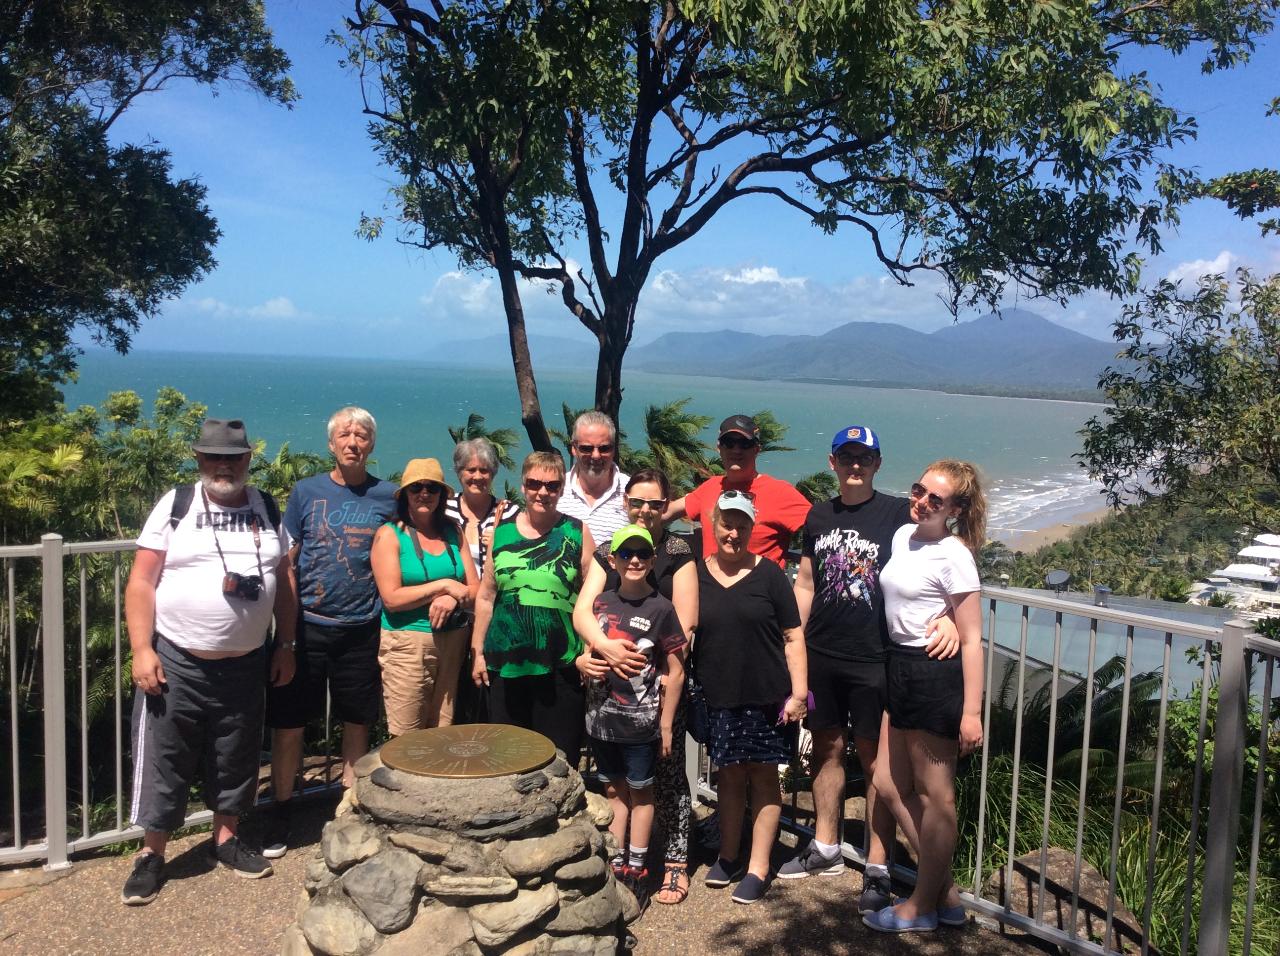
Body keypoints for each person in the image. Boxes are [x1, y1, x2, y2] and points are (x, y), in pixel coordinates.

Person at [780, 426, 958, 913]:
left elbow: (948, 557)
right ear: (832, 461)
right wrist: (793, 639)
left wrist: (952, 618)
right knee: (826, 746)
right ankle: (827, 846)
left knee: (877, 762)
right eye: (846, 457)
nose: (855, 465)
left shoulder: (901, 513)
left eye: (865, 457)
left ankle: (878, 866)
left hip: (877, 657)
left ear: (877, 463)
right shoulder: (818, 515)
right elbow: (807, 582)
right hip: (822, 653)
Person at [122, 419, 296, 905]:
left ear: (247, 461)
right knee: (165, 757)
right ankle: (152, 854)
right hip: (177, 659)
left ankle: (226, 839)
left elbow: (283, 580)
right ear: (199, 460)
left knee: (235, 754)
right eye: (214, 457)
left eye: (233, 457)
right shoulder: (176, 505)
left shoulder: (265, 506)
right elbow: (141, 581)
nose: (224, 465)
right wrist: (141, 648)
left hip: (246, 661)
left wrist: (286, 644)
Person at [263, 406, 396, 859]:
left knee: (357, 720)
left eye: (361, 435)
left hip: (362, 627)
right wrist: (287, 630)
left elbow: (418, 535)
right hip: (307, 627)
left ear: (371, 445)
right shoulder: (306, 492)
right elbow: (288, 560)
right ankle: (280, 809)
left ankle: (348, 808)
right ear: (331, 444)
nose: (353, 442)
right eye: (345, 434)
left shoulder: (388, 497)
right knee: (289, 722)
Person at [864, 460, 986, 934]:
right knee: (888, 782)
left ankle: (922, 905)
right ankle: (947, 894)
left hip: (935, 677)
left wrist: (971, 713)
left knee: (938, 797)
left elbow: (973, 637)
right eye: (919, 491)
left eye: (935, 500)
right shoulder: (903, 537)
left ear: (955, 508)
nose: (921, 502)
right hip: (900, 666)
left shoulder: (955, 554)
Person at [573, 469, 698, 904]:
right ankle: (620, 860)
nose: (646, 510)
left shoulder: (678, 549)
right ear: (625, 501)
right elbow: (585, 611)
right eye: (638, 501)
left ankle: (674, 864)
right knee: (620, 784)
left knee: (668, 776)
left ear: (667, 506)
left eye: (655, 503)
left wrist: (665, 677)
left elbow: (686, 622)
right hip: (611, 693)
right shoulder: (609, 550)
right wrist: (597, 651)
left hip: (659, 685)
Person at [695, 493, 808, 905]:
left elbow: (793, 636)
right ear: (713, 524)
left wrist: (798, 694)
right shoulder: (697, 575)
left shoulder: (770, 576)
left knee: (762, 777)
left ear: (752, 529)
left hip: (766, 695)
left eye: (742, 525)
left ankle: (759, 866)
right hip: (719, 695)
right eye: (726, 523)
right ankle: (728, 855)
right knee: (727, 776)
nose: (733, 532)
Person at [471, 451, 597, 762]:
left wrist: (589, 650)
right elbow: (486, 596)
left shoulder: (576, 532)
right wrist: (477, 653)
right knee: (506, 756)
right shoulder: (501, 534)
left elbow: (592, 596)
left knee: (559, 759)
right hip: (505, 662)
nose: (543, 492)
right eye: (535, 484)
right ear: (523, 485)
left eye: (552, 486)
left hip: (561, 663)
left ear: (561, 489)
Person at [371, 459, 480, 734]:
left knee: (443, 729)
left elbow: (475, 589)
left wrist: (454, 598)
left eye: (432, 488)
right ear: (405, 494)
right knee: (407, 734)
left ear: (441, 495)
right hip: (408, 644)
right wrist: (443, 586)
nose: (424, 493)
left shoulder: (453, 531)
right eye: (416, 487)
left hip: (453, 641)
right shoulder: (390, 535)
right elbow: (392, 599)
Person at [665, 414, 810, 567]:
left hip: (760, 588)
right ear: (719, 447)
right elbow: (665, 512)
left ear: (756, 449)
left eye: (744, 444)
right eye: (729, 443)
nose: (736, 450)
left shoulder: (780, 492)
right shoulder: (710, 487)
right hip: (710, 587)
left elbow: (822, 527)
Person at [445, 437, 519, 577]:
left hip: (493, 595)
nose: (478, 477)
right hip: (454, 594)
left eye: (484, 470)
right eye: (471, 470)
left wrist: (501, 543)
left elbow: (523, 555)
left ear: (493, 474)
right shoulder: (445, 509)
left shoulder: (508, 513)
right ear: (459, 473)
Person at [557, 410, 631, 544]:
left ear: (614, 449)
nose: (596, 455)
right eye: (586, 448)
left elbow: (661, 514)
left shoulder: (631, 490)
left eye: (604, 448)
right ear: (574, 448)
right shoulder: (555, 489)